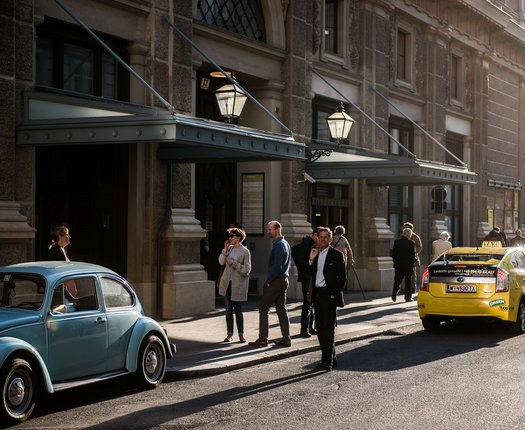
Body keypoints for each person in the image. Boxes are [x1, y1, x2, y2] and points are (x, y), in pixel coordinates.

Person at [308, 227, 347, 371]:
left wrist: (333, 294)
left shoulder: (337, 255)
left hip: (329, 296)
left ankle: (326, 362)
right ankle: (332, 358)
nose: (323, 239)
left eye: (326, 237)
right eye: (321, 237)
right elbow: (309, 274)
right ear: (317, 238)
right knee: (320, 328)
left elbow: (342, 279)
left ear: (331, 239)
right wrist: (311, 260)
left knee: (328, 329)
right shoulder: (315, 254)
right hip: (317, 295)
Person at [249, 221, 292, 348]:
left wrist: (268, 281)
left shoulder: (279, 246)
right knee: (281, 310)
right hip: (284, 280)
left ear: (277, 230)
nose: (268, 232)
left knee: (263, 308)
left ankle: (263, 339)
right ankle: (286, 338)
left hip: (276, 281)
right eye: (267, 230)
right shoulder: (285, 243)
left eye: (270, 230)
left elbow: (277, 267)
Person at [217, 227, 251, 343]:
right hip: (227, 284)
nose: (230, 238)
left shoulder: (245, 251)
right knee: (228, 310)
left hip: (237, 285)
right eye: (229, 236)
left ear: (239, 238)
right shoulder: (229, 249)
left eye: (232, 236)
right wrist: (224, 250)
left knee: (238, 310)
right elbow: (221, 262)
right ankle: (229, 334)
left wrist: (234, 264)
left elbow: (247, 270)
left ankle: (241, 335)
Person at [292, 227, 320, 338]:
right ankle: (304, 329)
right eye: (320, 237)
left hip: (309, 278)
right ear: (315, 235)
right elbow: (303, 261)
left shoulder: (309, 243)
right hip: (308, 279)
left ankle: (309, 327)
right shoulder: (308, 244)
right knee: (307, 304)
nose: (321, 239)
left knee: (310, 303)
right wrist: (309, 262)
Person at [392, 227, 417, 303]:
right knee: (408, 282)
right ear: (409, 235)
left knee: (397, 280)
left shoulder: (396, 242)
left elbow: (393, 254)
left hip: (398, 265)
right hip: (408, 265)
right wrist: (413, 261)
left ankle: (394, 293)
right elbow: (412, 255)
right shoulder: (411, 243)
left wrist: (395, 262)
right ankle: (408, 297)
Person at [403, 222, 421, 293]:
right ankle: (403, 288)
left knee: (413, 274)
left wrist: (413, 251)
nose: (407, 229)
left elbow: (419, 247)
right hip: (403, 258)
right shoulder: (402, 236)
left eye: (408, 228)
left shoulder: (415, 237)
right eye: (405, 228)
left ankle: (413, 288)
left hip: (412, 258)